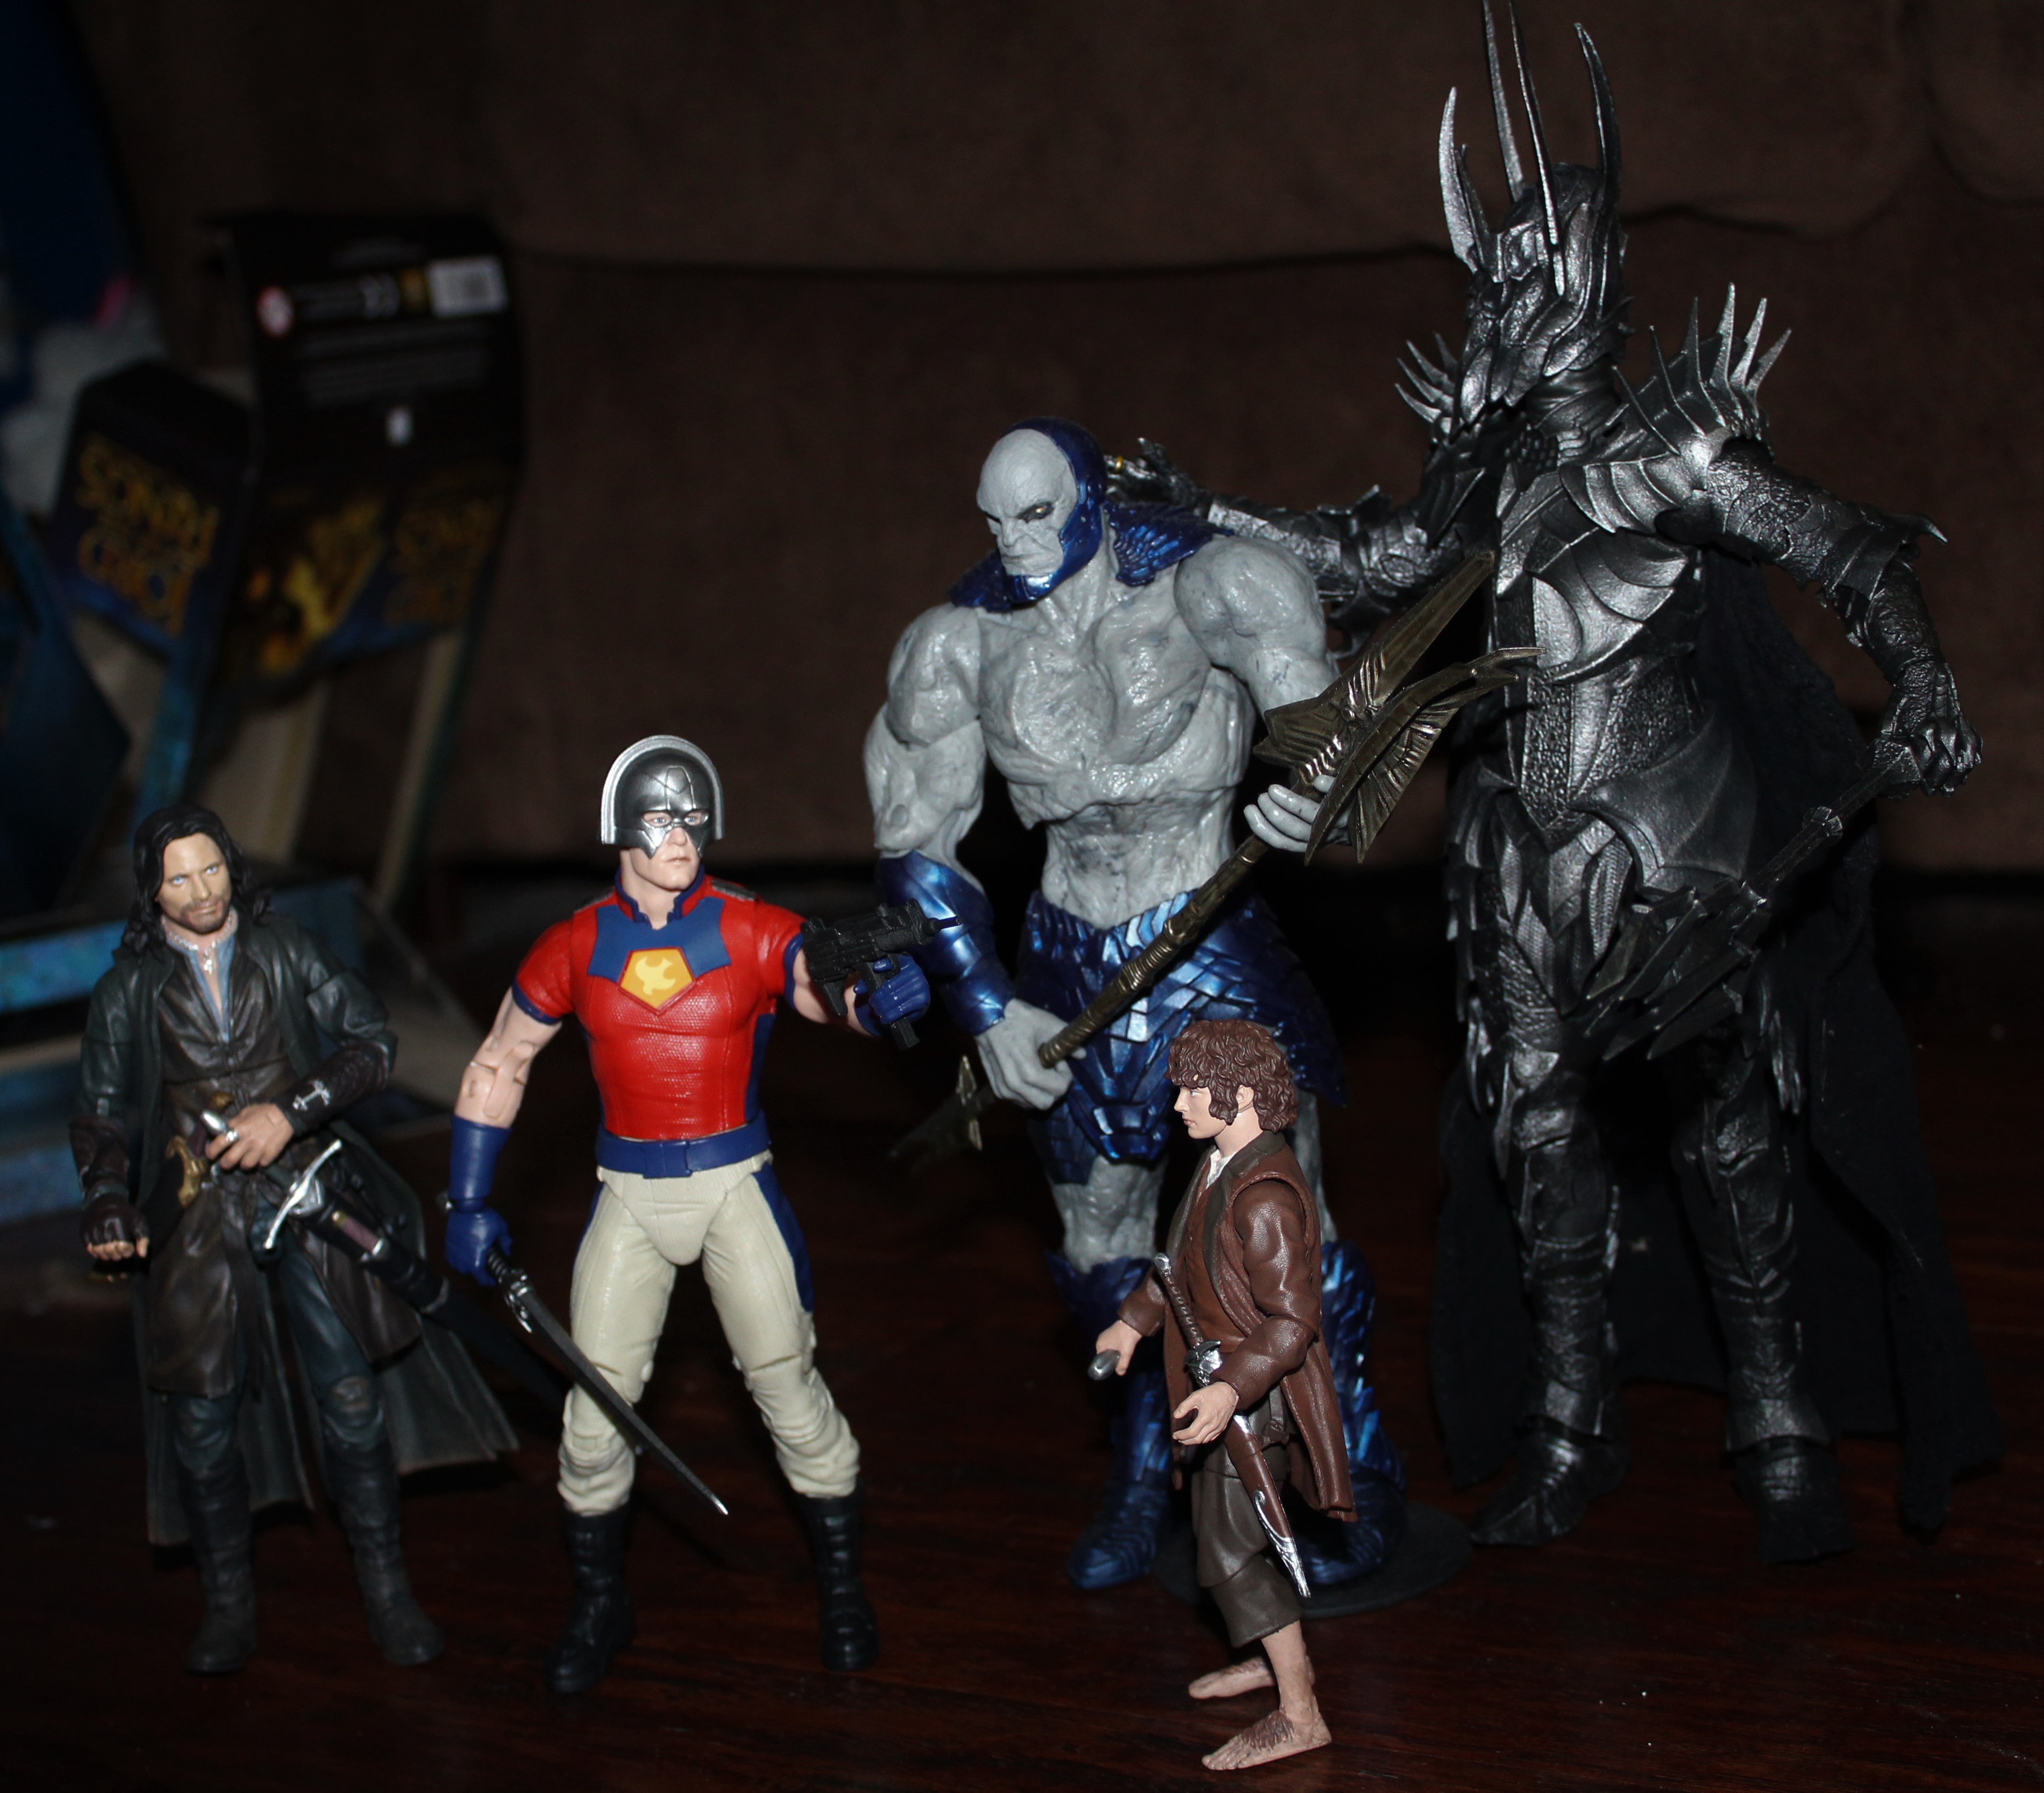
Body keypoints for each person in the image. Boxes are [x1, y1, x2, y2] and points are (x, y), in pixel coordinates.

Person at [1111, 11, 1998, 1559]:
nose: (1492, 311)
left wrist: (1921, 675)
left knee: (1725, 1134)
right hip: (1513, 862)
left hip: (1674, 856)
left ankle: (1777, 1418)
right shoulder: (1482, 477)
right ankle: (1574, 1423)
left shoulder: (1675, 457)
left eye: (1517, 281)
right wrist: (1211, 514)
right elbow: (1376, 557)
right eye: (1489, 285)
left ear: (1576, 287)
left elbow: (1847, 548)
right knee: (1535, 1139)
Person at [867, 417, 1406, 1591]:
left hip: (1206, 933)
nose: (1014, 542)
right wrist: (985, 1004)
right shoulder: (961, 644)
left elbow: (1333, 727)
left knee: (1284, 1217)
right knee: (1098, 1243)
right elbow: (916, 837)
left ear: (1089, 501)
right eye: (994, 520)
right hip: (1067, 954)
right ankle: (1140, 1466)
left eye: (1038, 515)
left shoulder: (1213, 587)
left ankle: (1347, 1467)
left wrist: (1315, 794)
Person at [444, 734, 930, 1691]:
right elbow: (500, 1059)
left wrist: (876, 1003)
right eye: (661, 819)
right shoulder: (573, 943)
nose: (681, 836)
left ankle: (841, 1584)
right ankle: (599, 1599)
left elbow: (818, 986)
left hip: (731, 1184)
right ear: (621, 829)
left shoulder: (749, 928)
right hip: (627, 1190)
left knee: (788, 1388)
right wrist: (465, 1195)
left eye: (693, 818)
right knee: (595, 1414)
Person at [75, 803, 512, 1674]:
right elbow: (99, 1108)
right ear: (152, 890)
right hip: (196, 1211)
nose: (201, 890)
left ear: (232, 866)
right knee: (202, 1420)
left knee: (350, 1397)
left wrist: (291, 1110)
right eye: (178, 877)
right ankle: (228, 1603)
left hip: (308, 1191)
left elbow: (372, 1043)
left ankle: (386, 1589)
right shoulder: (128, 989)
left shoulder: (286, 948)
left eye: (211, 868)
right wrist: (105, 1197)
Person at [1096, 1019, 1350, 1772]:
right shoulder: (1218, 1164)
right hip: (1217, 1389)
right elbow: (1178, 1268)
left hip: (1250, 1402)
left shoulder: (1263, 1196)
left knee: (1232, 1555)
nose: (1177, 1103)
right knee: (1226, 1542)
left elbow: (1293, 1322)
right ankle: (1277, 1662)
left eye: (1190, 1090)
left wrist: (1231, 1391)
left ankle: (1300, 1713)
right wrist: (1132, 1322)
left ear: (1237, 1093)